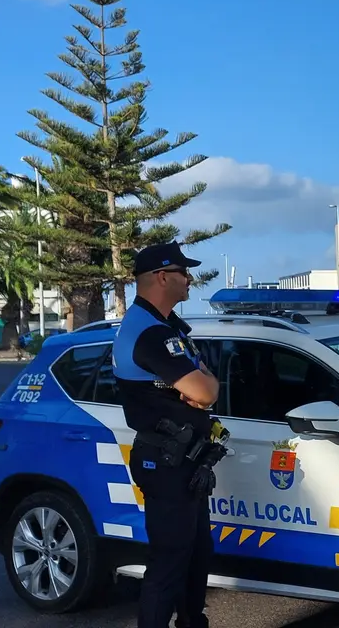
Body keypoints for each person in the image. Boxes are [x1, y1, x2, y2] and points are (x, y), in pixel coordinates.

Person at [113, 242, 223, 628]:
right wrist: (197, 388)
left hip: (185, 460)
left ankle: (192, 622)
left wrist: (199, 387)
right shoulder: (148, 334)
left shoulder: (168, 327)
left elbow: (206, 382)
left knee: (195, 554)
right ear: (161, 277)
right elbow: (207, 391)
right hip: (165, 460)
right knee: (169, 562)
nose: (189, 278)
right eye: (182, 272)